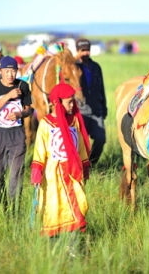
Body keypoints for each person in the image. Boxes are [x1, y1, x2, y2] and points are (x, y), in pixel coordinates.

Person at [31, 83, 90, 237]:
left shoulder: (74, 122)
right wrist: (37, 172)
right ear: (58, 103)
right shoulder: (45, 124)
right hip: (53, 175)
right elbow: (39, 150)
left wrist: (85, 165)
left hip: (73, 173)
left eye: (73, 101)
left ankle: (73, 242)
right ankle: (56, 241)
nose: (73, 105)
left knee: (79, 204)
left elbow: (81, 146)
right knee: (55, 206)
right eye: (69, 102)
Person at [0, 56, 31, 211]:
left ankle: (14, 210)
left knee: (15, 176)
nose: (11, 74)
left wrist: (20, 114)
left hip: (17, 134)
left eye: (13, 71)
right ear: (0, 71)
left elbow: (28, 109)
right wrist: (8, 96)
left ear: (17, 71)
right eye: (7, 71)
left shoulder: (23, 86)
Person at [75, 38, 107, 166]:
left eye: (87, 50)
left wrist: (104, 108)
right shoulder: (74, 67)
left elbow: (102, 88)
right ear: (77, 51)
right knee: (82, 141)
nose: (85, 53)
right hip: (81, 110)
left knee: (100, 139)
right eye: (82, 51)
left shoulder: (96, 67)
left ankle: (91, 164)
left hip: (97, 109)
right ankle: (80, 166)